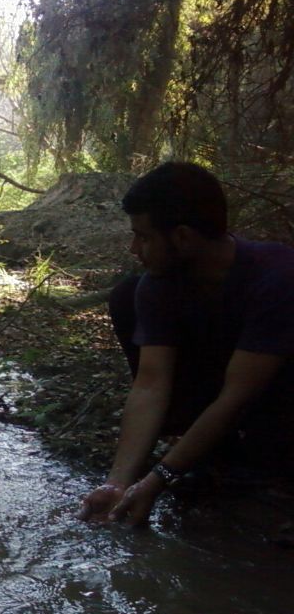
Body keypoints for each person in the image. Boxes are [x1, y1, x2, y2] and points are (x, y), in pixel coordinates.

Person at [77, 161, 294, 526]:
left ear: (182, 237)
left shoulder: (277, 278)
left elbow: (236, 396)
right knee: (125, 295)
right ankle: (214, 456)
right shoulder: (158, 286)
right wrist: (119, 482)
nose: (134, 248)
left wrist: (161, 478)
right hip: (229, 391)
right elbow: (150, 383)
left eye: (143, 237)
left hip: (276, 399)